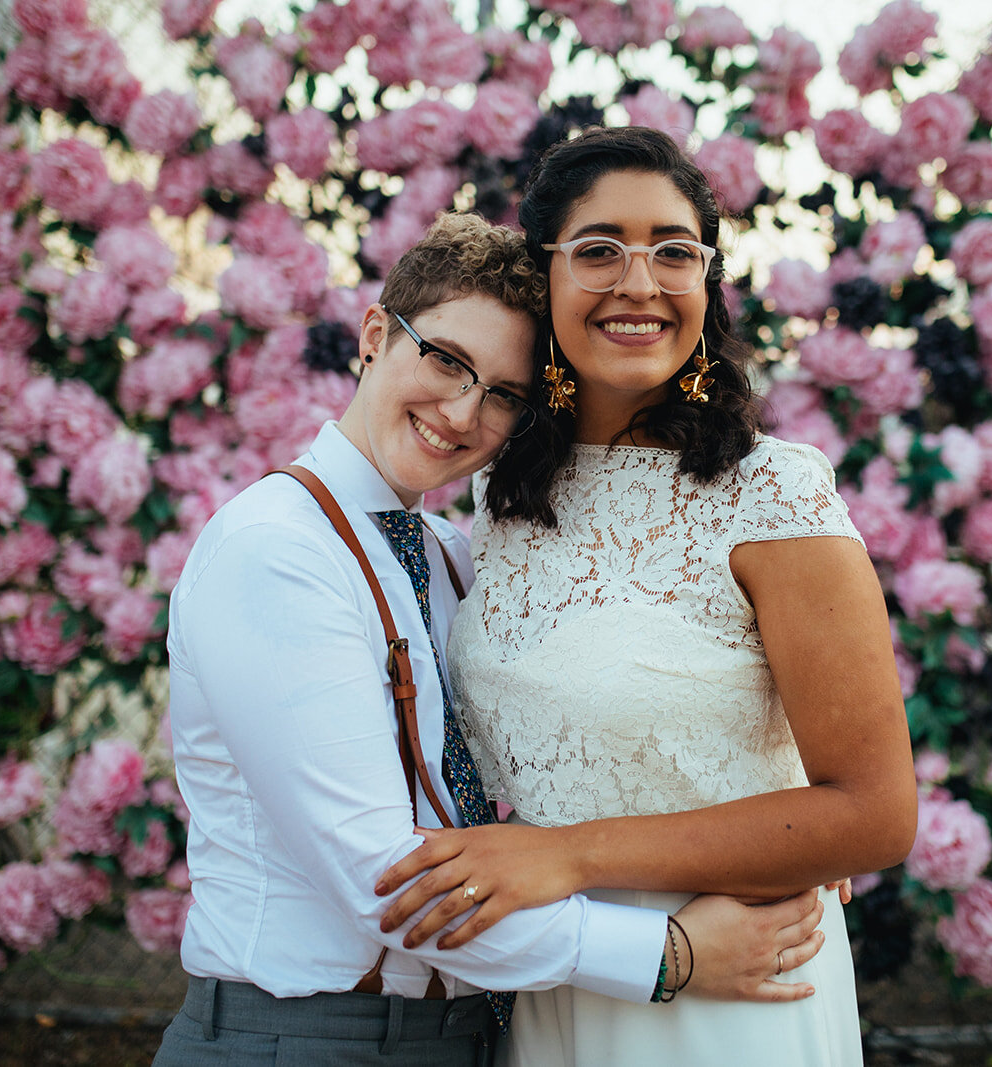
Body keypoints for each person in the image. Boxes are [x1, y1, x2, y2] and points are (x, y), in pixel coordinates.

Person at [153, 213, 831, 1067]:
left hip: (466, 1036)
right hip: (310, 1039)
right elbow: (390, 881)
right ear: (374, 335)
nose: (462, 411)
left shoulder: (448, 559)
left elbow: (594, 705)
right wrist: (669, 955)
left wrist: (782, 824)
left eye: (505, 393)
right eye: (445, 359)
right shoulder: (277, 553)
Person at [371, 128, 918, 1066]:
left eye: (674, 251)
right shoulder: (501, 497)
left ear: (707, 282)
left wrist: (570, 854)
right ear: (544, 277)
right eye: (598, 251)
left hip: (733, 984)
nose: (639, 283)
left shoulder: (773, 494)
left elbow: (874, 812)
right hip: (560, 979)